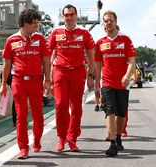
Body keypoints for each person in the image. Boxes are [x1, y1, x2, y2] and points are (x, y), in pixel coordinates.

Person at [0, 9, 51, 159]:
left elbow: (46, 61)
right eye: (34, 24)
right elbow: (7, 64)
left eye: (37, 23)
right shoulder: (11, 40)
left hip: (36, 81)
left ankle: (37, 140)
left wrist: (47, 80)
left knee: (38, 114)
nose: (36, 26)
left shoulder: (40, 39)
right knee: (21, 115)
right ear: (25, 24)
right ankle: (23, 147)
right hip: (18, 81)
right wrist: (3, 84)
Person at [48, 4, 95, 152]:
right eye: (66, 15)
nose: (69, 17)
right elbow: (49, 55)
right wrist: (48, 77)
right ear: (63, 17)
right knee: (60, 105)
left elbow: (91, 55)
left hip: (78, 72)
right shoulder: (55, 32)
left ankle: (72, 139)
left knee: (76, 108)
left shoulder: (84, 33)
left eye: (71, 14)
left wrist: (91, 75)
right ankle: (62, 138)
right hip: (60, 71)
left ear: (76, 16)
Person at [94, 10, 136, 157]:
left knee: (121, 113)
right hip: (106, 83)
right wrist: (96, 85)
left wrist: (127, 75)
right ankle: (112, 144)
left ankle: (118, 138)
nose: (108, 23)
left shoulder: (125, 40)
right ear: (103, 23)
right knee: (110, 111)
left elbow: (131, 61)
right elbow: (97, 65)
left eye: (111, 20)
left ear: (116, 21)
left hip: (123, 83)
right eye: (106, 20)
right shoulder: (100, 43)